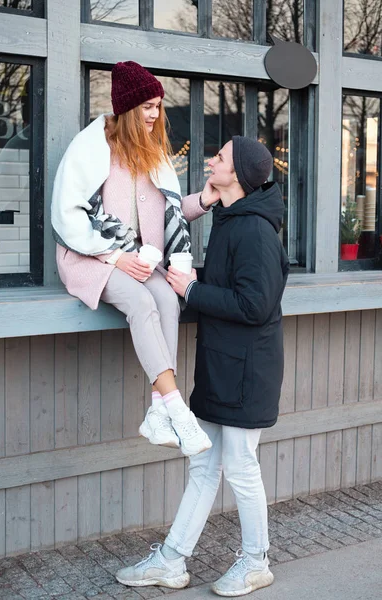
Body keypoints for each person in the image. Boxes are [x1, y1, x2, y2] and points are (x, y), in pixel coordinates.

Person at [116, 136, 290, 597]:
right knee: (204, 466)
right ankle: (172, 561)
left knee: (240, 466)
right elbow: (225, 290)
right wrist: (182, 286)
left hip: (248, 372)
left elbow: (255, 304)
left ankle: (256, 563)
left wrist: (192, 290)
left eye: (221, 158)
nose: (211, 160)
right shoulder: (231, 218)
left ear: (239, 175)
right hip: (221, 366)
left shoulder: (254, 230)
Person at [51, 61, 220, 456]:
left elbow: (169, 211)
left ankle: (156, 411)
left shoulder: (152, 154)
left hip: (140, 260)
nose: (154, 114)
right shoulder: (92, 146)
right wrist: (114, 256)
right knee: (143, 302)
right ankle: (178, 410)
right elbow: (67, 212)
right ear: (127, 108)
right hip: (91, 257)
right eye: (147, 106)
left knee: (166, 299)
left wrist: (205, 200)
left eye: (158, 106)